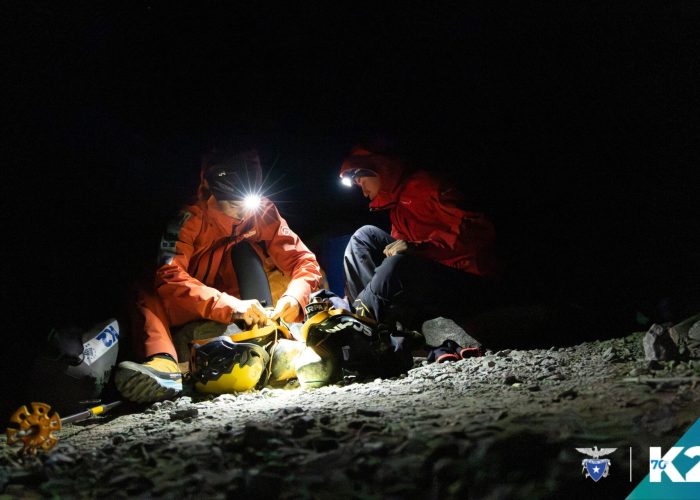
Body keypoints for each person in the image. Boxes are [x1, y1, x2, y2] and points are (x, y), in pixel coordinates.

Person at [116, 148, 323, 402]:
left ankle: (272, 340)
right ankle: (163, 364)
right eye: (235, 205)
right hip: (186, 303)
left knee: (245, 250)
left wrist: (295, 298)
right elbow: (168, 275)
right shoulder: (190, 216)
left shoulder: (260, 210)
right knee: (145, 285)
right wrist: (230, 306)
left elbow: (304, 260)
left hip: (236, 302)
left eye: (248, 204)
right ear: (213, 191)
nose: (245, 213)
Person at [339, 146, 501, 351]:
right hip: (430, 281)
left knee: (397, 263)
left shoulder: (427, 185)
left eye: (361, 182)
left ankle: (360, 325)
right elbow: (395, 258)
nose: (362, 192)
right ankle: (378, 326)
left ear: (376, 169)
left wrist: (420, 249)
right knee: (364, 237)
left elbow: (478, 233)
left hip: (468, 280)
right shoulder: (397, 208)